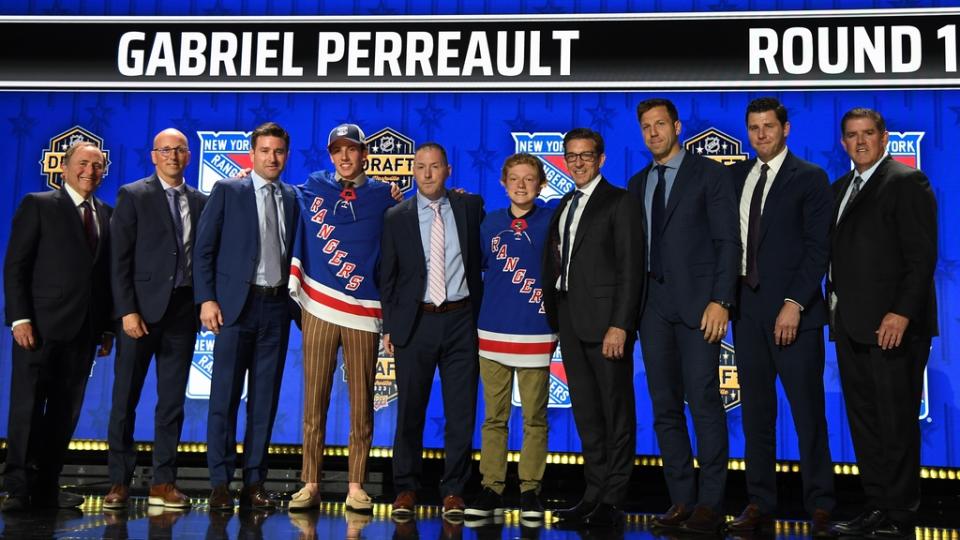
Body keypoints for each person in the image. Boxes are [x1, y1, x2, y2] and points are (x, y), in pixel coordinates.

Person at [626, 98, 739, 533]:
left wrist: (721, 300)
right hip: (651, 309)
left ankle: (710, 503)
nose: (653, 133)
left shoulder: (710, 174)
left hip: (699, 307)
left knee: (705, 401)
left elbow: (728, 241)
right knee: (665, 407)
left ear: (676, 127)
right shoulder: (638, 183)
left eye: (660, 124)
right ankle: (681, 500)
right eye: (646, 127)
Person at [726, 98, 835, 535]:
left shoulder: (810, 178)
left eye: (768, 126)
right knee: (755, 415)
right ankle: (760, 502)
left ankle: (822, 505)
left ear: (785, 129)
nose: (761, 135)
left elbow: (817, 249)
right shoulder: (734, 177)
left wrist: (795, 302)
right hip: (747, 314)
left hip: (796, 315)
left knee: (808, 414)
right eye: (753, 127)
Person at [829, 108, 938, 539]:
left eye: (868, 134)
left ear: (884, 137)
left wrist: (902, 312)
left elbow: (921, 256)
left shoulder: (906, 181)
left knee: (896, 425)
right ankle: (876, 506)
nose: (860, 142)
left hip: (895, 329)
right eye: (852, 135)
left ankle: (901, 513)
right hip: (852, 327)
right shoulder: (840, 189)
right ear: (843, 142)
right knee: (866, 424)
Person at [286, 123, 398, 512]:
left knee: (361, 403)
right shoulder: (313, 186)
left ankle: (356, 485)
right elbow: (278, 193)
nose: (345, 157)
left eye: (352, 149)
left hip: (364, 311)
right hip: (319, 307)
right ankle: (310, 483)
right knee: (313, 400)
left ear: (365, 153)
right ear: (331, 155)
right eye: (338, 151)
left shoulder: (385, 195)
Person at [193, 121, 300, 511]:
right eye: (265, 151)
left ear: (286, 155)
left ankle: (254, 482)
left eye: (279, 151)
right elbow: (203, 250)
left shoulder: (293, 196)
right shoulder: (227, 191)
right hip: (235, 308)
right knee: (223, 398)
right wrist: (206, 299)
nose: (272, 158)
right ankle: (220, 483)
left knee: (264, 401)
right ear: (252, 154)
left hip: (276, 308)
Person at [2, 141, 114, 512]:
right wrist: (20, 318)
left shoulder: (107, 214)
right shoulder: (39, 205)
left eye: (97, 166)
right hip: (39, 328)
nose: (90, 172)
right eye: (83, 164)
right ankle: (17, 488)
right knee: (27, 408)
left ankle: (47, 485)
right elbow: (16, 266)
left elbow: (105, 278)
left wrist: (107, 328)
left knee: (65, 412)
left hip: (84, 332)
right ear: (64, 168)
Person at [542, 128, 645, 529]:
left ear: (601, 159)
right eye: (572, 156)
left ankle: (613, 499)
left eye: (586, 155)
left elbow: (630, 268)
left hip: (607, 327)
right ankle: (592, 494)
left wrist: (620, 324)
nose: (578, 162)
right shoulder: (564, 204)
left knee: (615, 413)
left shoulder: (620, 202)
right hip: (569, 320)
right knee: (587, 414)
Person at [102, 128, 207, 510]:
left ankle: (164, 482)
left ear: (189, 156)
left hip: (182, 311)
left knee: (172, 403)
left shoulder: (200, 200)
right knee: (124, 398)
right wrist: (126, 310)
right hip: (139, 314)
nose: (173, 156)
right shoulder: (133, 194)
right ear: (153, 156)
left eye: (180, 150)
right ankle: (118, 482)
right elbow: (119, 260)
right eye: (166, 150)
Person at [379, 142, 485, 519]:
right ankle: (406, 488)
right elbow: (387, 277)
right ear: (412, 171)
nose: (427, 173)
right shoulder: (396, 216)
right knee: (410, 410)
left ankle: (454, 490)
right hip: (416, 322)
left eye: (434, 166)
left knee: (461, 411)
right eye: (420, 167)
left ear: (448, 169)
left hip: (461, 320)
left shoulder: (470, 208)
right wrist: (390, 326)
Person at [464, 154, 557, 524]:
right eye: (514, 178)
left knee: (535, 417)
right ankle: (492, 488)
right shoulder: (488, 224)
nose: (521, 185)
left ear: (541, 184)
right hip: (493, 331)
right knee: (494, 418)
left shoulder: (552, 220)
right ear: (503, 183)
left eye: (529, 178)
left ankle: (531, 490)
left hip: (536, 331)